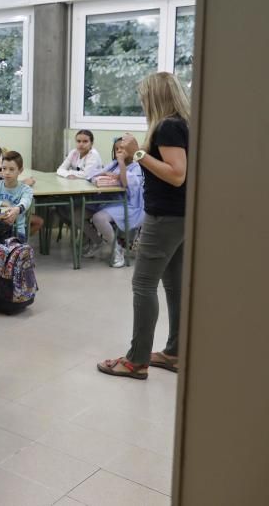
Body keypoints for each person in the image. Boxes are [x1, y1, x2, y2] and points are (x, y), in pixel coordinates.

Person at [98, 72, 189, 380]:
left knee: (143, 285)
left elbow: (177, 175)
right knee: (174, 286)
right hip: (181, 216)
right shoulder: (183, 124)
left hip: (164, 217)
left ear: (155, 97)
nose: (141, 102)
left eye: (143, 96)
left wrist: (138, 153)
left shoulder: (168, 127)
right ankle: (175, 352)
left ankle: (136, 361)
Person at [83, 140, 145, 267]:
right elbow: (90, 175)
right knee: (78, 211)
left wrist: (121, 164)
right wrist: (105, 173)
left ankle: (117, 250)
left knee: (98, 218)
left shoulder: (136, 167)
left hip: (129, 204)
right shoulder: (113, 164)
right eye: (117, 149)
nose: (120, 152)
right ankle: (98, 242)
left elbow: (127, 184)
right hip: (110, 200)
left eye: (123, 149)